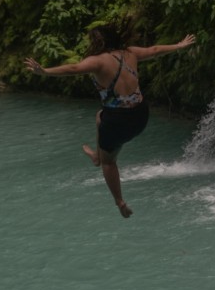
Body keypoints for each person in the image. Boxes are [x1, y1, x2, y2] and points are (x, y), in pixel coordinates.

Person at [24, 20, 196, 218]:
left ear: (96, 43)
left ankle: (120, 201)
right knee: (99, 117)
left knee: (109, 163)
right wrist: (179, 45)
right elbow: (155, 50)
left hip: (117, 121)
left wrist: (44, 71)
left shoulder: (97, 61)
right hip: (141, 116)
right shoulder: (130, 53)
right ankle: (98, 155)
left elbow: (72, 69)